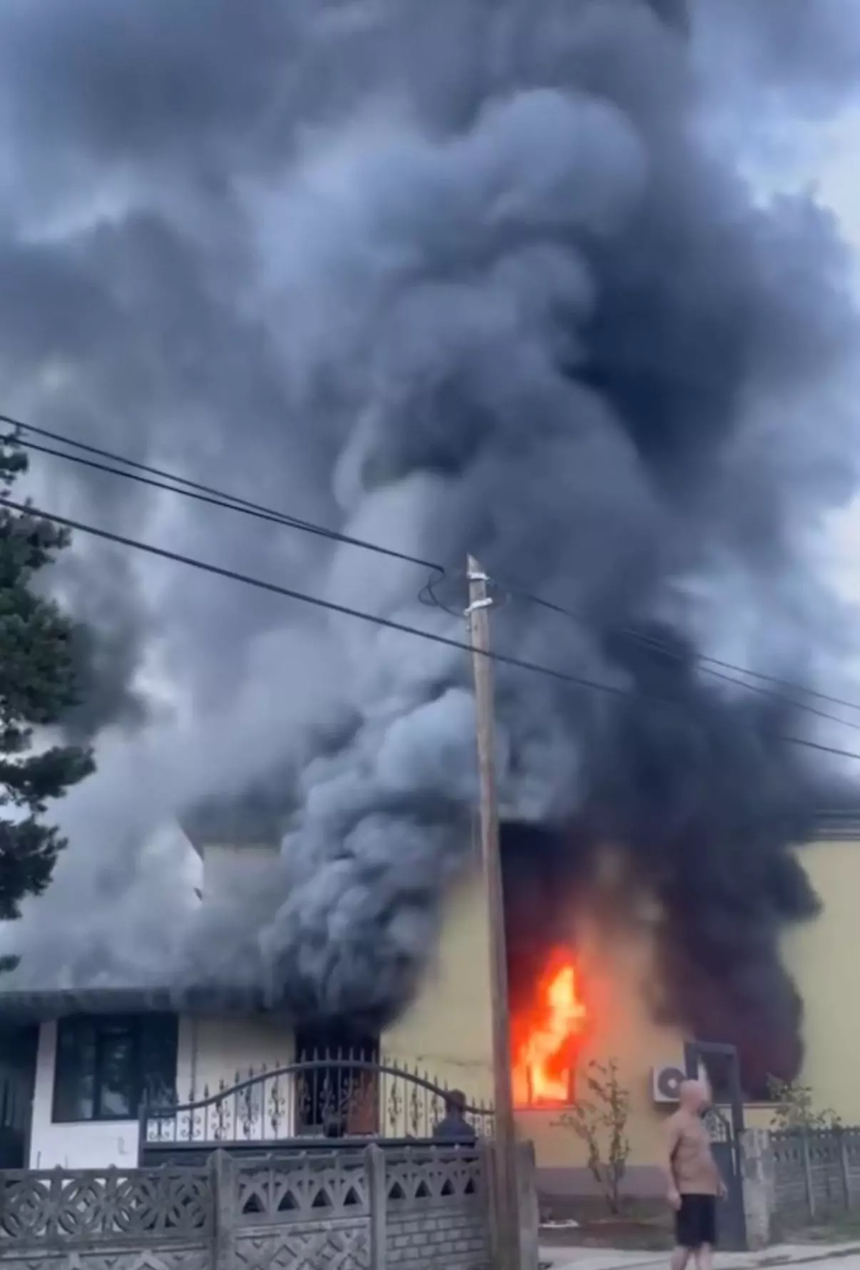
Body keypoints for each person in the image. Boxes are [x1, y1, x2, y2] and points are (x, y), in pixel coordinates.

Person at [664, 1079, 727, 1270]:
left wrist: (719, 1182)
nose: (706, 1100)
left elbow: (705, 1154)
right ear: (691, 1096)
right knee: (686, 1244)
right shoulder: (675, 1123)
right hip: (688, 1192)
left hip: (707, 1190)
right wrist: (671, 1189)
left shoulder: (698, 1122)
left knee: (706, 1243)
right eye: (703, 1095)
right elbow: (663, 1158)